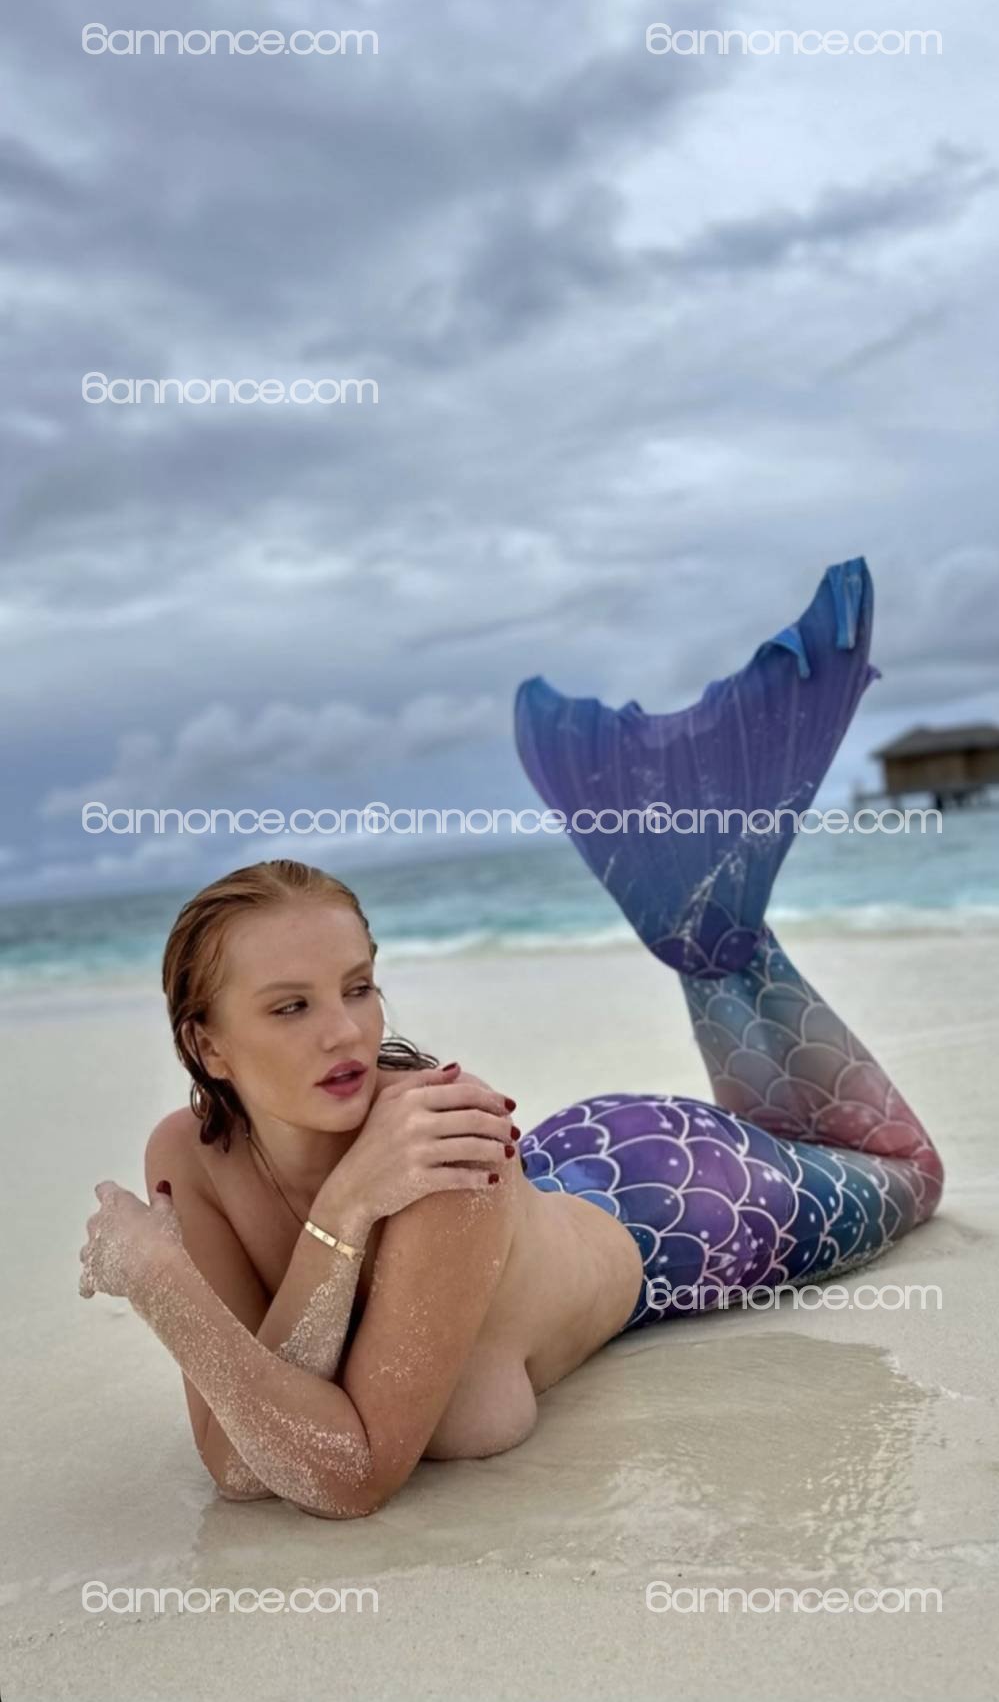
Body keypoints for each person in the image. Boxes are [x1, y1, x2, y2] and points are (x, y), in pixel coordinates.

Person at [78, 556, 943, 1519]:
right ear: (208, 1046)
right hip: (565, 1165)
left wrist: (168, 1285)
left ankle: (716, 923)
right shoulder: (191, 1157)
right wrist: (344, 1213)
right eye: (291, 1007)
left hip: (682, 1195)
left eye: (358, 987)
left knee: (907, 1173)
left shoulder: (441, 1152)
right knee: (824, 1122)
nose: (347, 1030)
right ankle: (704, 910)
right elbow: (243, 1461)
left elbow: (348, 1475)